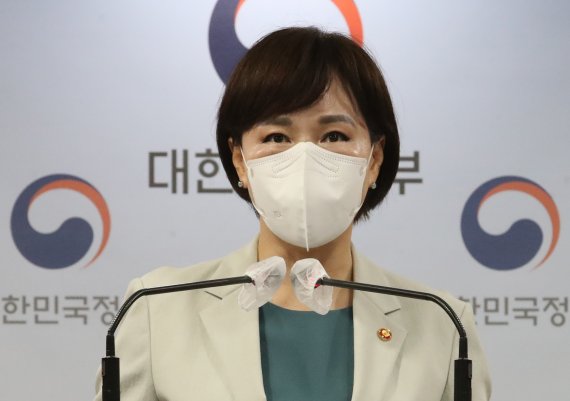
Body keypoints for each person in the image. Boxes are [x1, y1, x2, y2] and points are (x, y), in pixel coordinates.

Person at [94, 27, 491, 401]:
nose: (304, 158)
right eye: (276, 137)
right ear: (239, 160)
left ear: (374, 160)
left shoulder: (442, 324)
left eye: (334, 136)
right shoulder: (157, 308)